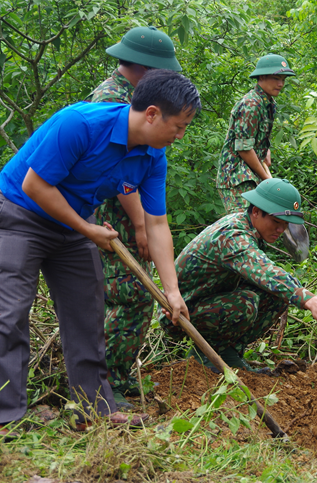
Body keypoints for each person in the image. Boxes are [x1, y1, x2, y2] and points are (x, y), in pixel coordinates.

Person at [0, 70, 200, 438]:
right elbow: (35, 185)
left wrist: (172, 290)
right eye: (179, 125)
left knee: (88, 315)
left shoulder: (152, 157)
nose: (181, 135)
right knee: (11, 312)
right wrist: (88, 229)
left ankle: (93, 407)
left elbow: (157, 225)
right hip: (20, 214)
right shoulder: (80, 123)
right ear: (153, 114)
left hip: (74, 224)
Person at [160, 178, 317, 371]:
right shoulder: (232, 235)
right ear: (255, 212)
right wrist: (311, 301)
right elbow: (263, 270)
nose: (281, 230)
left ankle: (229, 352)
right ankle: (203, 357)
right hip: (178, 313)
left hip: (208, 302)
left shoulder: (251, 229)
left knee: (277, 296)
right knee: (245, 303)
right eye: (275, 222)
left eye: (285, 224)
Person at [90, 26, 183, 409]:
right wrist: (141, 225)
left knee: (135, 297)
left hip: (129, 215)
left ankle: (119, 378)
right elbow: (121, 176)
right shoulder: (111, 98)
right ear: (145, 68)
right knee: (129, 296)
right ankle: (103, 385)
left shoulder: (129, 93)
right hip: (113, 219)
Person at [216, 54, 296, 213]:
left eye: (283, 79)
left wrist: (266, 150)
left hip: (252, 175)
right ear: (262, 77)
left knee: (260, 227)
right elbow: (244, 148)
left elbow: (257, 136)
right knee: (243, 226)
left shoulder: (269, 102)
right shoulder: (251, 104)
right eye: (276, 78)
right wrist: (267, 181)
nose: (281, 84)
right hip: (237, 178)